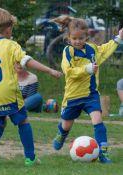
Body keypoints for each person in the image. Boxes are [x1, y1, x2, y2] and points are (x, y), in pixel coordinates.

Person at [0, 8, 62, 166]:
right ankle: (30, 158)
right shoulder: (11, 45)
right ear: (8, 28)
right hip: (9, 92)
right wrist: (49, 70)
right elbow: (27, 61)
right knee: (23, 122)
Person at [51, 15, 123, 163]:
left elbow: (104, 50)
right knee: (66, 125)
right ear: (69, 37)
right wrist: (86, 69)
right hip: (73, 96)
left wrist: (118, 38)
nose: (77, 41)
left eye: (81, 38)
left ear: (86, 37)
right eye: (74, 38)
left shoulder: (92, 49)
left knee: (98, 122)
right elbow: (68, 72)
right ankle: (62, 134)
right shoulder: (68, 51)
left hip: (91, 95)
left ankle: (103, 153)